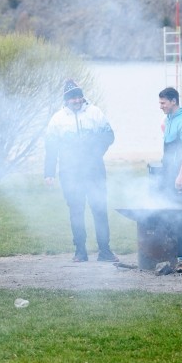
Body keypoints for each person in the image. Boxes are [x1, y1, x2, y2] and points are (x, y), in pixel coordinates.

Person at [44, 79, 119, 263]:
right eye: (72, 98)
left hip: (94, 170)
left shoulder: (95, 113)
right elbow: (51, 147)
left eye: (78, 96)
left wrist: (96, 151)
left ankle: (105, 251)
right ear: (66, 100)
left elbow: (109, 135)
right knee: (76, 212)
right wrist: (49, 173)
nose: (76, 101)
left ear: (82, 96)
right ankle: (80, 251)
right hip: (70, 173)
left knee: (99, 209)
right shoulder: (57, 119)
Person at [158, 87, 182, 259]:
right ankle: (176, 248)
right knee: (172, 210)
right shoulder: (169, 119)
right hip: (170, 172)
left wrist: (181, 175)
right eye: (160, 102)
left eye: (163, 102)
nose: (160, 106)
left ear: (173, 101)